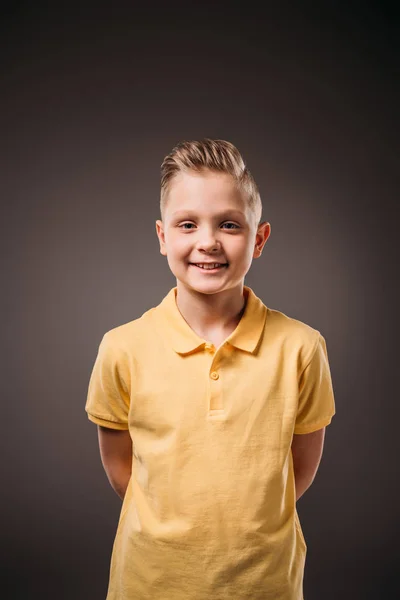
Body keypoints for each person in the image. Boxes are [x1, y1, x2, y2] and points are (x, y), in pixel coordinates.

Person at [85, 138, 336, 600]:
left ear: (258, 239)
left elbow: (298, 470)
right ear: (163, 238)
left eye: (228, 224)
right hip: (149, 582)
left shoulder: (301, 348)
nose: (208, 242)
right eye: (187, 224)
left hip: (265, 584)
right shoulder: (123, 348)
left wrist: (242, 527)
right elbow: (122, 467)